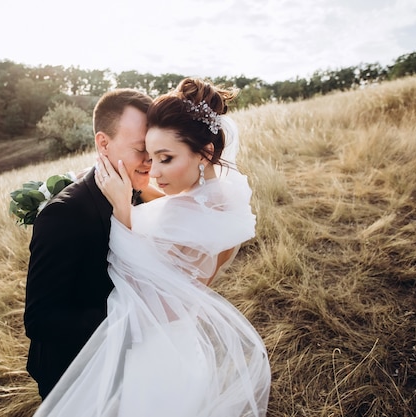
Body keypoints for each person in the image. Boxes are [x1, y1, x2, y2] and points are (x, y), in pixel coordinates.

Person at [34, 78, 271, 416]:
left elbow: (155, 291)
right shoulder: (221, 202)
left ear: (204, 154)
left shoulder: (180, 210)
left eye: (163, 157)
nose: (153, 170)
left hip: (154, 351)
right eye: (144, 152)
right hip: (177, 347)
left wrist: (122, 212)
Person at [23, 88, 159, 400]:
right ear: (103, 143)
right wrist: (128, 321)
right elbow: (41, 319)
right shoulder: (63, 214)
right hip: (75, 378)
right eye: (140, 149)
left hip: (128, 369)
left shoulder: (139, 194)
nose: (150, 161)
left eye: (153, 150)